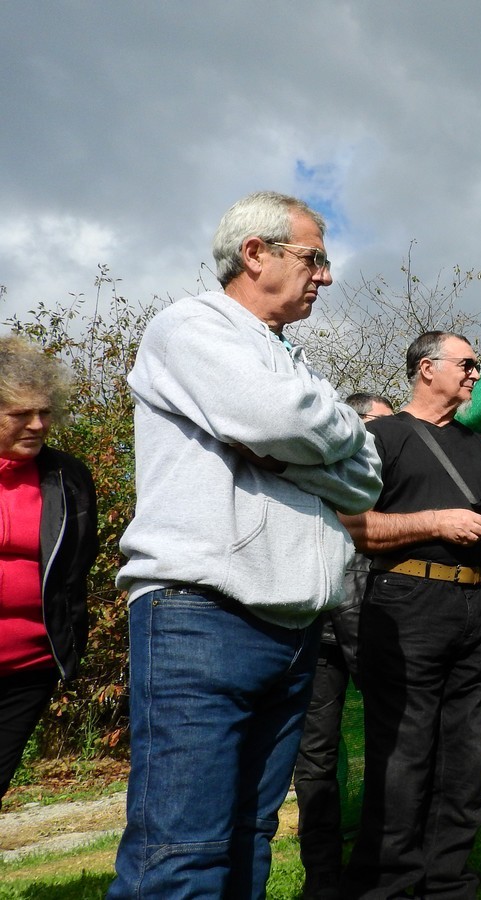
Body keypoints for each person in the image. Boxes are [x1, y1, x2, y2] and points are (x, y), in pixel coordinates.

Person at [109, 191, 383, 898]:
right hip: (202, 615)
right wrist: (316, 436)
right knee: (182, 852)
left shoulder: (293, 363)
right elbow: (270, 415)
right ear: (256, 253)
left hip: (293, 629)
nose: (325, 276)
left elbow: (366, 479)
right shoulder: (191, 326)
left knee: (246, 841)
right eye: (314, 257)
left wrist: (302, 447)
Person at [339, 332, 481, 898]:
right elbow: (351, 525)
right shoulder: (378, 438)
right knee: (403, 750)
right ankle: (391, 884)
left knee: (468, 751)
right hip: (405, 604)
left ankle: (448, 881)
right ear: (427, 367)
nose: (475, 374)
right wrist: (436, 522)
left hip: (479, 607)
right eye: (467, 364)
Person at [294, 392, 393, 899]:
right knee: (315, 755)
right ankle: (323, 875)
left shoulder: (385, 474)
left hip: (374, 619)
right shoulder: (320, 461)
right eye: (374, 423)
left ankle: (382, 860)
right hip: (320, 622)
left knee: (393, 741)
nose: (380, 433)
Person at [0, 336, 98, 804]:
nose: (38, 425)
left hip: (28, 668)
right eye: (21, 414)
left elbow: (78, 563)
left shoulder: (67, 477)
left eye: (45, 412)